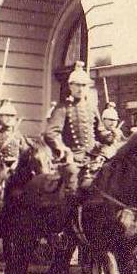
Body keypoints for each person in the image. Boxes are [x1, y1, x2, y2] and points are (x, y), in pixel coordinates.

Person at [43, 61, 101, 194]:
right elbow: (50, 133)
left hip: (93, 157)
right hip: (73, 158)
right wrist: (63, 149)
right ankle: (70, 214)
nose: (81, 89)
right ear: (70, 86)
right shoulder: (63, 108)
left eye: (84, 85)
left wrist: (109, 136)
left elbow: (100, 132)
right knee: (72, 186)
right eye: (77, 85)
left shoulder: (92, 108)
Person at [0, 99, 27, 170]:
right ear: (0, 117)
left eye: (12, 116)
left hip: (16, 169)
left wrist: (17, 164)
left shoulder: (19, 136)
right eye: (6, 115)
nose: (9, 118)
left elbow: (25, 156)